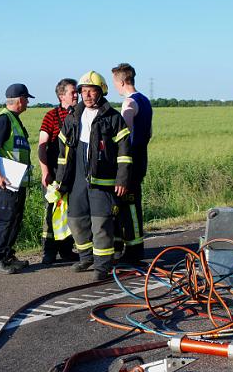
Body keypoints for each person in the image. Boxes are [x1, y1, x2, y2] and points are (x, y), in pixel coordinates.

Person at [53, 71, 132, 280]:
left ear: (101, 91)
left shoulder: (114, 118)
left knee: (101, 225)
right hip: (78, 179)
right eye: (83, 91)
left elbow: (124, 153)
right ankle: (86, 256)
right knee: (76, 221)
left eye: (92, 91)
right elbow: (63, 153)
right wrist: (60, 181)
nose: (86, 95)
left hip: (103, 182)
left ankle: (102, 266)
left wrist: (122, 179)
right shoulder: (73, 117)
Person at [0, 83, 33, 274]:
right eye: (27, 98)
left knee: (14, 219)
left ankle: (7, 255)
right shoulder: (4, 120)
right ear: (20, 100)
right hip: (6, 182)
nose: (28, 102)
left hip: (16, 182)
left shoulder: (14, 120)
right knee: (4, 220)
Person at [111, 63, 153, 263]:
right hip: (142, 156)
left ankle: (134, 249)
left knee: (129, 205)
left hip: (131, 160)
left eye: (114, 83)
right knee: (131, 203)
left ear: (121, 81)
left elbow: (123, 134)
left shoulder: (129, 103)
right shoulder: (145, 100)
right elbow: (150, 132)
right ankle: (126, 246)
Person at [38, 78, 79, 264]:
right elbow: (42, 145)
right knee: (51, 212)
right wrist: (45, 171)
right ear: (62, 96)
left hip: (74, 174)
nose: (77, 95)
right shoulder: (51, 116)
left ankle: (66, 250)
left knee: (69, 213)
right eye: (73, 92)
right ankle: (49, 252)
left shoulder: (81, 114)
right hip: (54, 173)